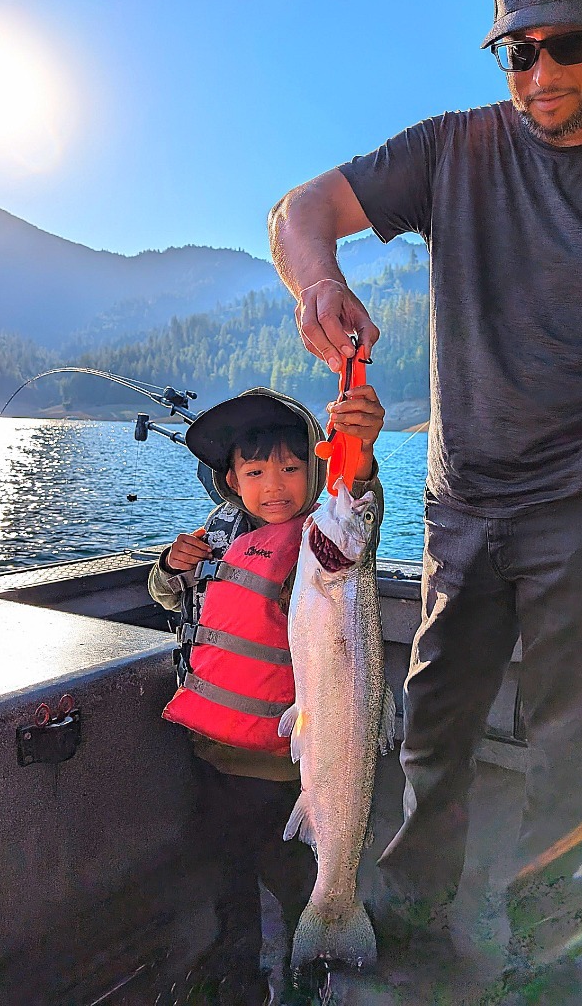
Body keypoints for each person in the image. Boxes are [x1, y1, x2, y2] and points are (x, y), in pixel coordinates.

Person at [267, 0, 582, 973]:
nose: (541, 74)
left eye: (566, 44)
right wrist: (319, 284)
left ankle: (550, 949)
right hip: (461, 499)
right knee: (430, 722)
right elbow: (301, 210)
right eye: (517, 51)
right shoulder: (451, 149)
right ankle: (399, 913)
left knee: (575, 750)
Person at [149, 385, 385, 1005]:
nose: (274, 485)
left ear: (316, 469)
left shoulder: (324, 537)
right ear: (230, 479)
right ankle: (237, 965)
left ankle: (312, 961)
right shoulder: (216, 536)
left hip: (286, 764)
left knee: (290, 873)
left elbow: (361, 500)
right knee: (227, 871)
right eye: (255, 471)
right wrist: (172, 568)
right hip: (213, 752)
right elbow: (175, 602)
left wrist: (358, 460)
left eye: (291, 466)